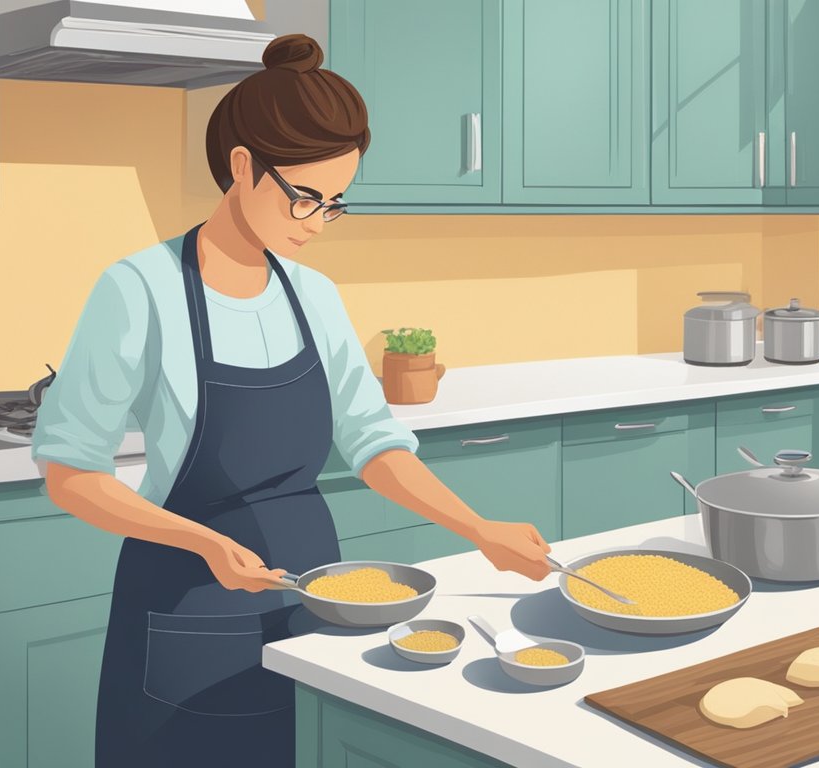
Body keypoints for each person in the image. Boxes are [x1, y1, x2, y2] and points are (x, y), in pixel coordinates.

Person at [30, 33, 552, 767]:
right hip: (187, 608)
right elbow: (71, 472)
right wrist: (205, 542)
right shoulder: (139, 289)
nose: (314, 222)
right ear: (242, 166)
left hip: (317, 604)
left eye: (335, 204)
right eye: (304, 196)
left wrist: (479, 528)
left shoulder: (314, 296)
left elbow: (372, 442)